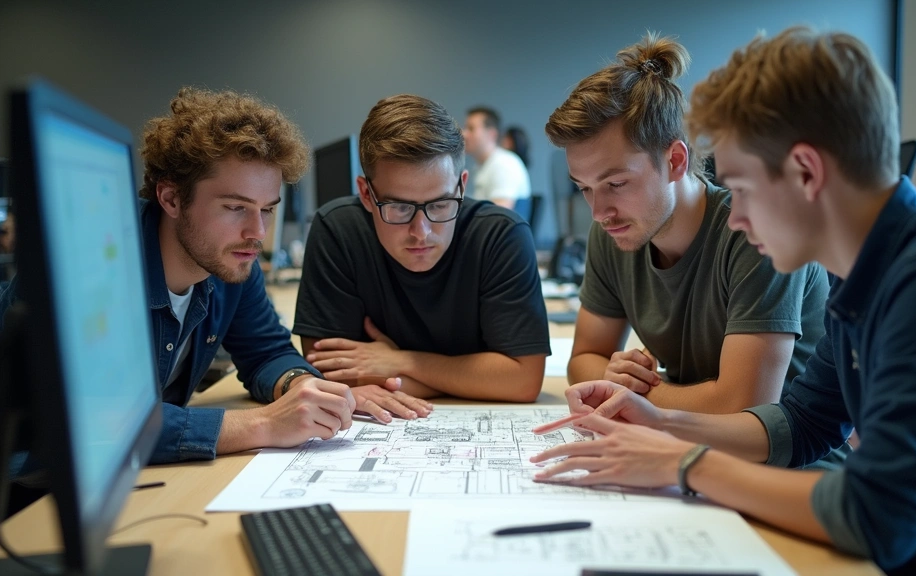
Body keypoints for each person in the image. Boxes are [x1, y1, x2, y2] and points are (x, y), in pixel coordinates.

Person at [532, 27, 916, 575]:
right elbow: (804, 424)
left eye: (741, 189)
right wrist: (661, 420)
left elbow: (878, 515)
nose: (735, 217)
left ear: (807, 173)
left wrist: (686, 462)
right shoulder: (863, 271)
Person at [1, 87, 434, 465]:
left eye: (266, 210)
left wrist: (302, 387)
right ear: (171, 197)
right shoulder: (96, 262)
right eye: (235, 208)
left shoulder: (231, 265)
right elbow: (96, 419)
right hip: (32, 491)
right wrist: (262, 423)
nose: (257, 233)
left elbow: (265, 353)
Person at [544, 34, 829, 413]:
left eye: (616, 184)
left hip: (785, 464)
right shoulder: (614, 230)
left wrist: (634, 394)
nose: (599, 212)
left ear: (676, 161)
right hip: (687, 446)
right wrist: (617, 375)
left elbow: (745, 406)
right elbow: (583, 360)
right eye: (585, 188)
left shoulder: (754, 231)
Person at [294, 95, 549, 402]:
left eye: (441, 205)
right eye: (399, 207)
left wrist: (402, 361)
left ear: (462, 186)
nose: (421, 232)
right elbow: (332, 375)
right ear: (365, 193)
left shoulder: (501, 235)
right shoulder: (337, 230)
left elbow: (522, 382)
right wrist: (472, 379)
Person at [462, 107, 531, 210]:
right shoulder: (482, 165)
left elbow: (499, 217)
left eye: (471, 129)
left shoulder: (504, 164)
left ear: (491, 134)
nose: (464, 134)